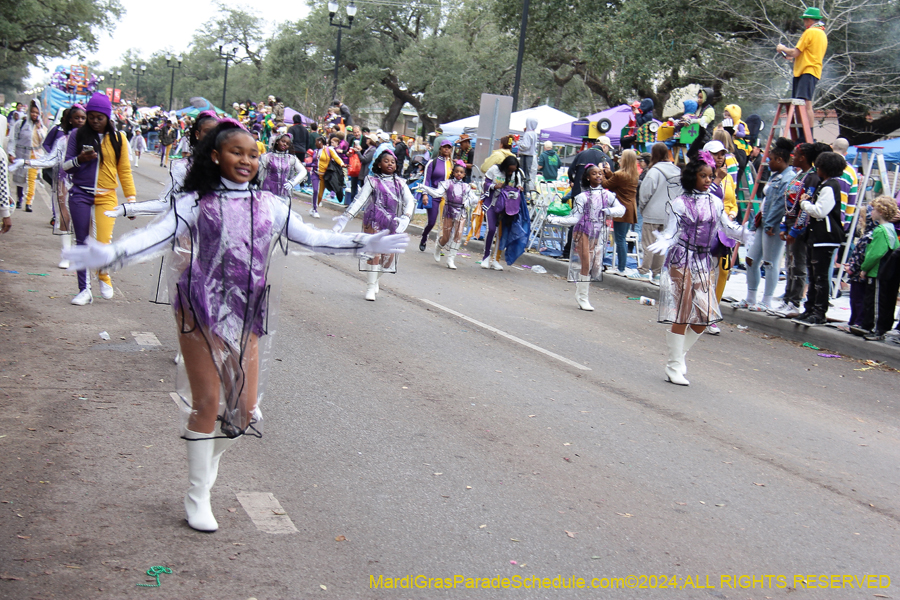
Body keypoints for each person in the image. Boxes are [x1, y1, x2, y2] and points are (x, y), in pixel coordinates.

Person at [63, 120, 408, 532]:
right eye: (236, 152)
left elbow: (312, 239)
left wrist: (363, 243)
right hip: (198, 308)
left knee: (244, 413)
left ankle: (205, 470)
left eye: (252, 154)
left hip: (248, 313)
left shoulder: (270, 205)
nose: (246, 160)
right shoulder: (195, 202)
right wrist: (109, 252)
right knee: (208, 405)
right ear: (215, 155)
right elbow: (155, 237)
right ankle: (198, 495)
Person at [647, 152, 753, 386]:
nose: (708, 180)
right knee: (683, 313)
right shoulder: (678, 203)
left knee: (703, 316)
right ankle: (674, 366)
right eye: (703, 175)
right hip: (681, 257)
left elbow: (727, 227)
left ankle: (678, 356)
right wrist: (664, 241)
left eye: (710, 176)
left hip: (704, 260)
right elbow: (672, 232)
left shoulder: (715, 202)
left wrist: (747, 234)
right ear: (692, 177)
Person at [62, 92, 136, 305]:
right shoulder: (77, 135)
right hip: (80, 194)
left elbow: (125, 170)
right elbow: (65, 166)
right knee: (82, 241)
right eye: (91, 116)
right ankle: (84, 290)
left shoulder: (118, 138)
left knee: (103, 243)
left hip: (107, 196)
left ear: (107, 118)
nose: (94, 121)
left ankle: (103, 274)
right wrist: (80, 159)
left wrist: (131, 200)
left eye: (99, 117)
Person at [332, 144, 415, 301]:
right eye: (386, 161)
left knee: (388, 259)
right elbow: (359, 201)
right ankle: (370, 287)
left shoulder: (401, 183)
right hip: (373, 221)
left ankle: (375, 278)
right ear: (378, 164)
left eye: (392, 162)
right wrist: (344, 219)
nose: (390, 164)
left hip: (392, 223)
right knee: (374, 253)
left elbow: (410, 201)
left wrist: (406, 217)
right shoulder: (372, 181)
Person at [548, 164, 625, 310]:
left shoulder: (608, 195)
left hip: (598, 231)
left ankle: (580, 293)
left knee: (595, 265)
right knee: (587, 263)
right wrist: (555, 219)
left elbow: (621, 209)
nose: (598, 176)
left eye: (600, 174)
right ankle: (583, 297)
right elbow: (574, 218)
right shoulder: (581, 197)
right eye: (594, 174)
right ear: (588, 177)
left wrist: (608, 210)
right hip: (583, 230)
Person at [733, 137, 796, 312]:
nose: (767, 162)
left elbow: (780, 206)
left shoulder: (788, 179)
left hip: (773, 226)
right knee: (751, 259)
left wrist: (770, 224)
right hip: (763, 223)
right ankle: (750, 297)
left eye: (771, 159)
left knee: (770, 263)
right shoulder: (776, 176)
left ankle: (766, 300)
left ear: (780, 160)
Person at [769, 142, 829, 318]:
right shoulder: (799, 175)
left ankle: (795, 302)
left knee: (798, 264)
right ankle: (787, 299)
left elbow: (804, 207)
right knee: (789, 263)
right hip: (789, 223)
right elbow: (788, 202)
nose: (792, 157)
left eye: (795, 154)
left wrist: (795, 231)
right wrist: (783, 225)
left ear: (803, 157)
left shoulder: (812, 177)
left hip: (799, 227)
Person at [24, 105, 86, 268]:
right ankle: (67, 253)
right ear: (70, 120)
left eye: (83, 118)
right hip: (64, 181)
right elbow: (50, 159)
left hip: (85, 183)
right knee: (64, 217)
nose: (80, 121)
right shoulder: (62, 140)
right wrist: (26, 162)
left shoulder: (93, 139)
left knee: (83, 219)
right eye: (76, 118)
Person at [793, 151, 847, 326]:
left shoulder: (831, 187)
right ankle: (809, 308)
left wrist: (804, 203)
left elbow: (820, 211)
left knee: (820, 276)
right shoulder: (824, 185)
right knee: (813, 275)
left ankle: (819, 311)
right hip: (816, 236)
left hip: (825, 236)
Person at [851, 197, 899, 339]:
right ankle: (872, 327)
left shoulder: (880, 231)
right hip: (888, 271)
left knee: (876, 301)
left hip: (877, 271)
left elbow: (875, 253)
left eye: (874, 210)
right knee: (885, 300)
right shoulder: (891, 229)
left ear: (881, 212)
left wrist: (864, 268)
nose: (871, 213)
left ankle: (877, 330)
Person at [776, 7, 827, 134]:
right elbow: (800, 55)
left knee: (805, 104)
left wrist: (783, 47)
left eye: (804, 20)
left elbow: (794, 52)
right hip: (808, 70)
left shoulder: (810, 32)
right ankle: (805, 133)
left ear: (809, 20)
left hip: (807, 71)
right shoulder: (822, 34)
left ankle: (807, 134)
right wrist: (787, 55)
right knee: (801, 104)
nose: (803, 23)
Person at [418, 161, 478, 269]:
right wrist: (425, 189)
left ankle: (451, 259)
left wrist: (468, 201)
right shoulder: (447, 183)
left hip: (461, 212)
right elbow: (437, 193)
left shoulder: (466, 186)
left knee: (458, 236)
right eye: (457, 172)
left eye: (461, 172)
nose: (459, 174)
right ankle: (438, 247)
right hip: (449, 211)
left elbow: (475, 199)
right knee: (446, 236)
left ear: (464, 174)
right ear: (453, 172)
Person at [637, 143, 681, 283]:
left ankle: (644, 271)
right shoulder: (677, 171)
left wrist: (643, 208)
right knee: (662, 244)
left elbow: (645, 193)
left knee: (649, 243)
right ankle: (657, 272)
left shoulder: (654, 171)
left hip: (652, 212)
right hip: (669, 214)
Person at [480, 156, 525, 271]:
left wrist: (519, 188)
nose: (510, 172)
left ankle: (496, 259)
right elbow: (484, 183)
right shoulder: (494, 169)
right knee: (491, 229)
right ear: (504, 166)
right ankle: (486, 257)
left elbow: (517, 187)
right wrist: (494, 186)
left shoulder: (516, 174)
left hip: (507, 207)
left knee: (501, 234)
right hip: (492, 204)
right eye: (509, 170)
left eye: (512, 170)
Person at [602, 149, 639, 276]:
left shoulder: (620, 174)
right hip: (630, 209)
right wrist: (609, 173)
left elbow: (607, 184)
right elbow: (616, 181)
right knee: (622, 238)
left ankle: (621, 268)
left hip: (621, 209)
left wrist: (602, 174)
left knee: (620, 239)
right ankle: (621, 267)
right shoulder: (633, 175)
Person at [7, 99, 46, 212]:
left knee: (31, 179)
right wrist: (11, 153)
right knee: (20, 178)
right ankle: (20, 198)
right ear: (29, 112)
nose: (34, 115)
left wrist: (39, 128)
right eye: (33, 112)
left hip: (35, 156)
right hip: (21, 154)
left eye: (37, 113)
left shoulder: (41, 127)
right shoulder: (21, 123)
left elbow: (43, 141)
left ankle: (29, 202)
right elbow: (13, 139)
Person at [420, 140, 454, 251]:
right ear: (440, 148)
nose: (446, 149)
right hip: (433, 195)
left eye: (449, 147)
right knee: (431, 222)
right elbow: (426, 180)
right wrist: (425, 194)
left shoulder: (452, 164)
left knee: (443, 223)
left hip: (447, 197)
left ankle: (439, 247)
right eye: (445, 147)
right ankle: (424, 237)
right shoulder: (432, 162)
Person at [259, 133, 307, 203]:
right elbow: (259, 174)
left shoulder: (291, 159)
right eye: (283, 141)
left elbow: (303, 171)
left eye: (287, 143)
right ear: (277, 141)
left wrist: (292, 182)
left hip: (284, 192)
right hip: (268, 191)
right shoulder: (267, 157)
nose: (285, 144)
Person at [518, 117, 539, 192]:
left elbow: (525, 146)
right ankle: (527, 190)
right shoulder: (534, 134)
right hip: (531, 155)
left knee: (522, 173)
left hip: (525, 155)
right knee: (527, 173)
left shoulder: (527, 134)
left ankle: (522, 190)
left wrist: (518, 143)